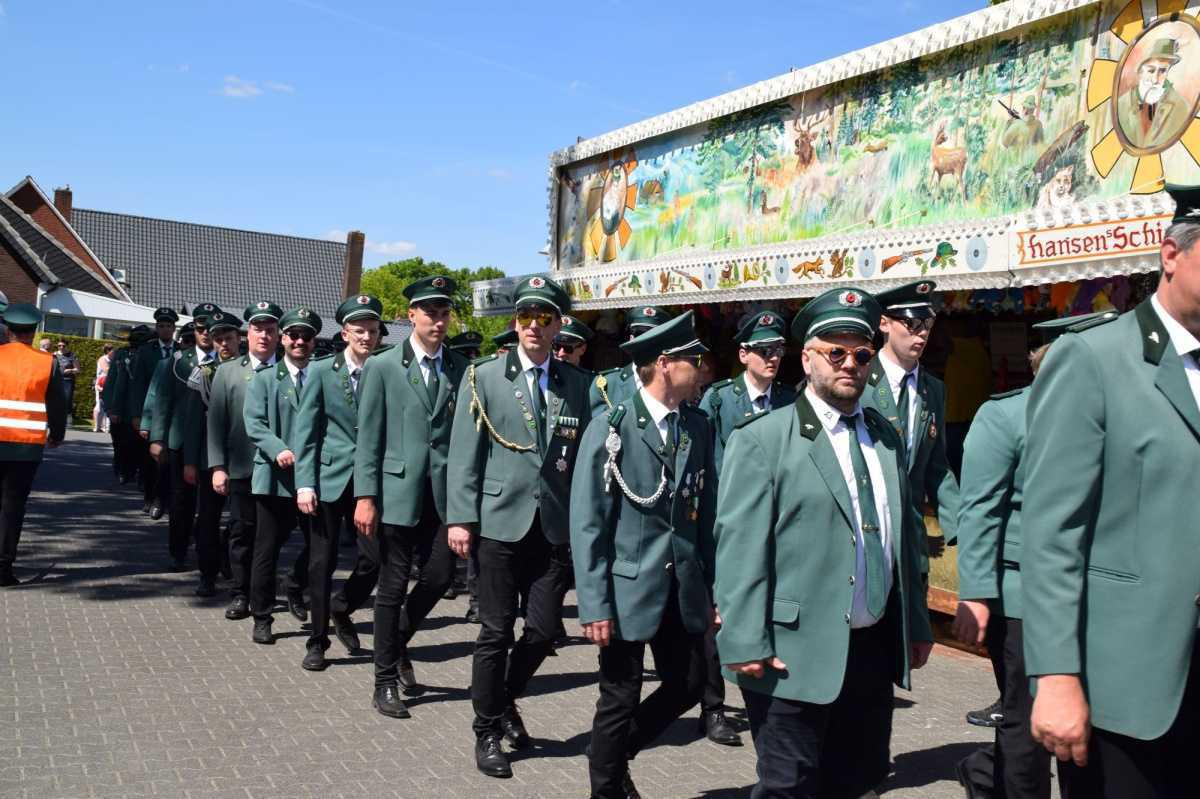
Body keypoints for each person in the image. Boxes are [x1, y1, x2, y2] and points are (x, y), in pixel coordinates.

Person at [714, 287, 933, 799]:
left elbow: (905, 538)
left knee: (859, 780)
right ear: (807, 358)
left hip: (870, 650)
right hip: (792, 652)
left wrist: (917, 623)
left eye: (861, 354)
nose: (850, 364)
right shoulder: (764, 438)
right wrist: (744, 639)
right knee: (789, 786)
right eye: (836, 353)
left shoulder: (884, 437)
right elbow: (740, 547)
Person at [1022, 183, 1200, 798]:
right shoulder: (1094, 360)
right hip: (1126, 686)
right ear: (1171, 254)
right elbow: (1053, 534)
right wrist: (1055, 675)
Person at [445, 275, 593, 779]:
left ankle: (503, 697)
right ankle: (487, 730)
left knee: (545, 630)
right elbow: (464, 454)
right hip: (498, 523)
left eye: (544, 318)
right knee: (494, 630)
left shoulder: (579, 384)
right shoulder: (484, 377)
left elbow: (587, 458)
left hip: (552, 527)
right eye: (526, 316)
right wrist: (460, 518)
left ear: (558, 325)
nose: (534, 326)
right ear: (516, 322)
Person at [570, 310, 716, 798]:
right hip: (626, 587)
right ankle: (606, 787)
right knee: (619, 696)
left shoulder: (697, 426)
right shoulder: (612, 427)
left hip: (681, 585)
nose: (703, 368)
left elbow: (706, 514)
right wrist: (593, 604)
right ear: (666, 364)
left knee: (690, 683)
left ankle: (611, 755)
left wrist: (712, 589)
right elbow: (589, 523)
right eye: (695, 360)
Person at [952, 317, 1095, 799]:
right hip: (1021, 597)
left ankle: (981, 773)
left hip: (1092, 591)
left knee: (1084, 719)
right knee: (1025, 720)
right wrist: (976, 594)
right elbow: (979, 509)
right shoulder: (1007, 416)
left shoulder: (1109, 415)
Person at [353, 276, 469, 715]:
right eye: (430, 313)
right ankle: (384, 680)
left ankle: (396, 639)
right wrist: (365, 496)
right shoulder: (383, 366)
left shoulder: (463, 368)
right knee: (392, 585)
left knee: (440, 576)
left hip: (443, 495)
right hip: (396, 492)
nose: (438, 321)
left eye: (444, 313)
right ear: (411, 316)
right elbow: (369, 437)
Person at [693, 310, 798, 747]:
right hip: (726, 522)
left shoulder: (790, 399)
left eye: (778, 349)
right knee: (719, 615)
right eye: (763, 350)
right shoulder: (719, 401)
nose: (772, 357)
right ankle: (713, 707)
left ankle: (768, 688)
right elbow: (702, 464)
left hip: (776, 526)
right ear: (743, 355)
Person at [293, 294, 387, 671]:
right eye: (359, 330)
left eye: (373, 330)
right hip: (329, 479)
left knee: (374, 559)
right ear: (345, 333)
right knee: (321, 562)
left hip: (371, 483)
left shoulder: (385, 368)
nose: (367, 337)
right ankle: (317, 641)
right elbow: (306, 431)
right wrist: (305, 483)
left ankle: (342, 606)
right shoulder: (320, 371)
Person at [862, 280, 960, 580]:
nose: (922, 333)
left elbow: (936, 465)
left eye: (927, 324)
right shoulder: (857, 381)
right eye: (911, 324)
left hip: (912, 542)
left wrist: (961, 527)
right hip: (864, 538)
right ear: (884, 324)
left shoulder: (933, 390)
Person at [244, 307, 320, 645]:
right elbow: (254, 423)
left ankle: (295, 584)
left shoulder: (322, 377)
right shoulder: (264, 379)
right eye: (294, 335)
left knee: (320, 547)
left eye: (306, 336)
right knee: (266, 550)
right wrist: (277, 449)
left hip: (313, 477)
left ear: (314, 341)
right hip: (275, 477)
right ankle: (262, 616)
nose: (300, 341)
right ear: (283, 339)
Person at [208, 301, 280, 621]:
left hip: (279, 470)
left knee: (273, 536)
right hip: (241, 467)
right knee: (241, 532)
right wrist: (218, 466)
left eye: (269, 330)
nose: (263, 336)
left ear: (278, 334)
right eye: (257, 329)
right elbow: (216, 422)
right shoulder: (228, 372)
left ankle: (266, 591)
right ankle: (240, 593)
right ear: (246, 334)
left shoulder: (289, 371)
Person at [146, 310, 220, 573]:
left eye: (210, 329)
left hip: (213, 443)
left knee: (211, 504)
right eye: (200, 329)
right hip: (180, 440)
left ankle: (208, 552)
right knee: (180, 501)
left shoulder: (227, 360)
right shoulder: (178, 361)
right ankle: (178, 552)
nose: (205, 334)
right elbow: (163, 400)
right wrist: (157, 437)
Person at [0, 304, 67, 587]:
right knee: (12, 506)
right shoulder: (47, 362)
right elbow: (58, 404)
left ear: (8, 330)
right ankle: (3, 567)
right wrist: (57, 434)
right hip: (26, 447)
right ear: (34, 332)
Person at [181, 310, 242, 597]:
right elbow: (192, 420)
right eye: (218, 339)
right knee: (207, 518)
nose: (224, 344)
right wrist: (190, 462)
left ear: (239, 338)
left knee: (241, 520)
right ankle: (207, 574)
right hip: (209, 457)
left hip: (242, 456)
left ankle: (231, 563)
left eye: (229, 338)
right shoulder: (203, 372)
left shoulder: (252, 369)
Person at [131, 307, 179, 520]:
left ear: (174, 329)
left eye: (168, 326)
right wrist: (138, 415)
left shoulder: (181, 350)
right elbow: (138, 384)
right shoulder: (146, 351)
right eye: (161, 326)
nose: (165, 329)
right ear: (156, 328)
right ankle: (150, 498)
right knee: (150, 460)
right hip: (150, 413)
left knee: (169, 461)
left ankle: (163, 499)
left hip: (175, 416)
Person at [589, 306, 673, 416]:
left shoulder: (676, 382)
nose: (646, 341)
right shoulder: (607, 385)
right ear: (631, 339)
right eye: (639, 334)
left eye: (654, 335)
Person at [1115, 38, 1188, 152]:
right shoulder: (1122, 104)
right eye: (1151, 71)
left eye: (1162, 71)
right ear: (1140, 71)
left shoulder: (1180, 106)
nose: (1155, 80)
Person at [54, 340, 80, 422]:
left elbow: (78, 370)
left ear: (67, 346)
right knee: (55, 399)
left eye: (63, 346)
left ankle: (68, 418)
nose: (61, 347)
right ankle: (55, 417)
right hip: (56, 380)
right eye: (59, 345)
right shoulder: (54, 355)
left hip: (68, 381)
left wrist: (70, 370)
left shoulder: (72, 355)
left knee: (67, 399)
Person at [94, 343, 114, 433]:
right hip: (101, 384)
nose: (113, 352)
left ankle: (105, 427)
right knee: (99, 405)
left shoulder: (112, 359)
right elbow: (106, 370)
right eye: (112, 350)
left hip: (109, 385)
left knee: (107, 405)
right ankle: (97, 426)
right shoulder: (103, 359)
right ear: (107, 351)